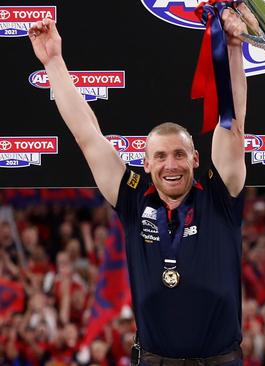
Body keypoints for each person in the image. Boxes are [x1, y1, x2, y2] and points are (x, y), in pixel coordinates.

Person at [28, 5, 251, 365]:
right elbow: (88, 136)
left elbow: (233, 124)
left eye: (180, 154)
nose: (171, 165)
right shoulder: (132, 197)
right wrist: (53, 61)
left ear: (195, 159)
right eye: (160, 157)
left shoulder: (218, 194)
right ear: (145, 164)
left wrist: (235, 48)